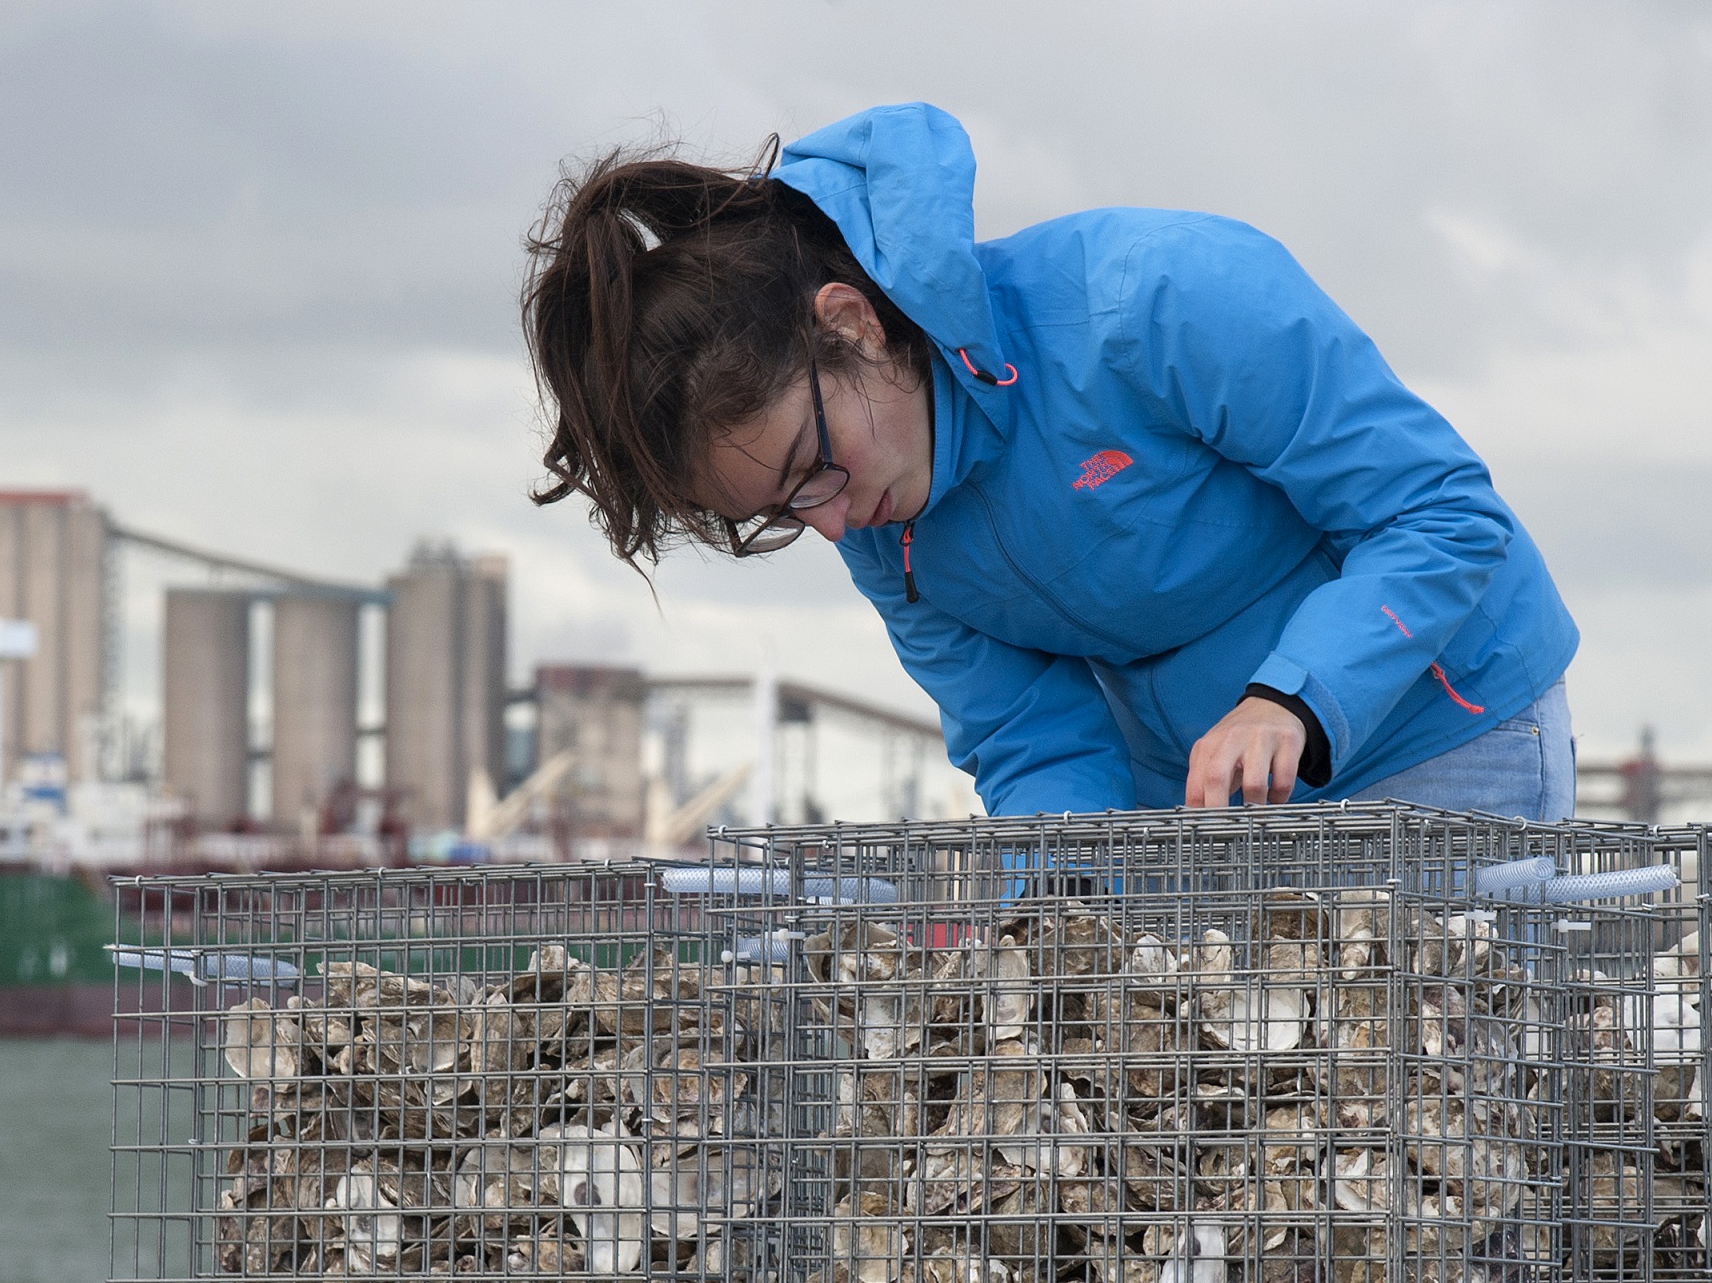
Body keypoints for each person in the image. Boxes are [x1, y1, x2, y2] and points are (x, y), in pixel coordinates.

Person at [522, 102, 1578, 819]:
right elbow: (1034, 739)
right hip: (1215, 811)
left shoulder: (1157, 298)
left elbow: (1438, 512)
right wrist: (1058, 915)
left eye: (815, 462)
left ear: (847, 322)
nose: (833, 522)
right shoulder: (879, 523)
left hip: (1447, 726)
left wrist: (1288, 701)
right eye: (783, 511)